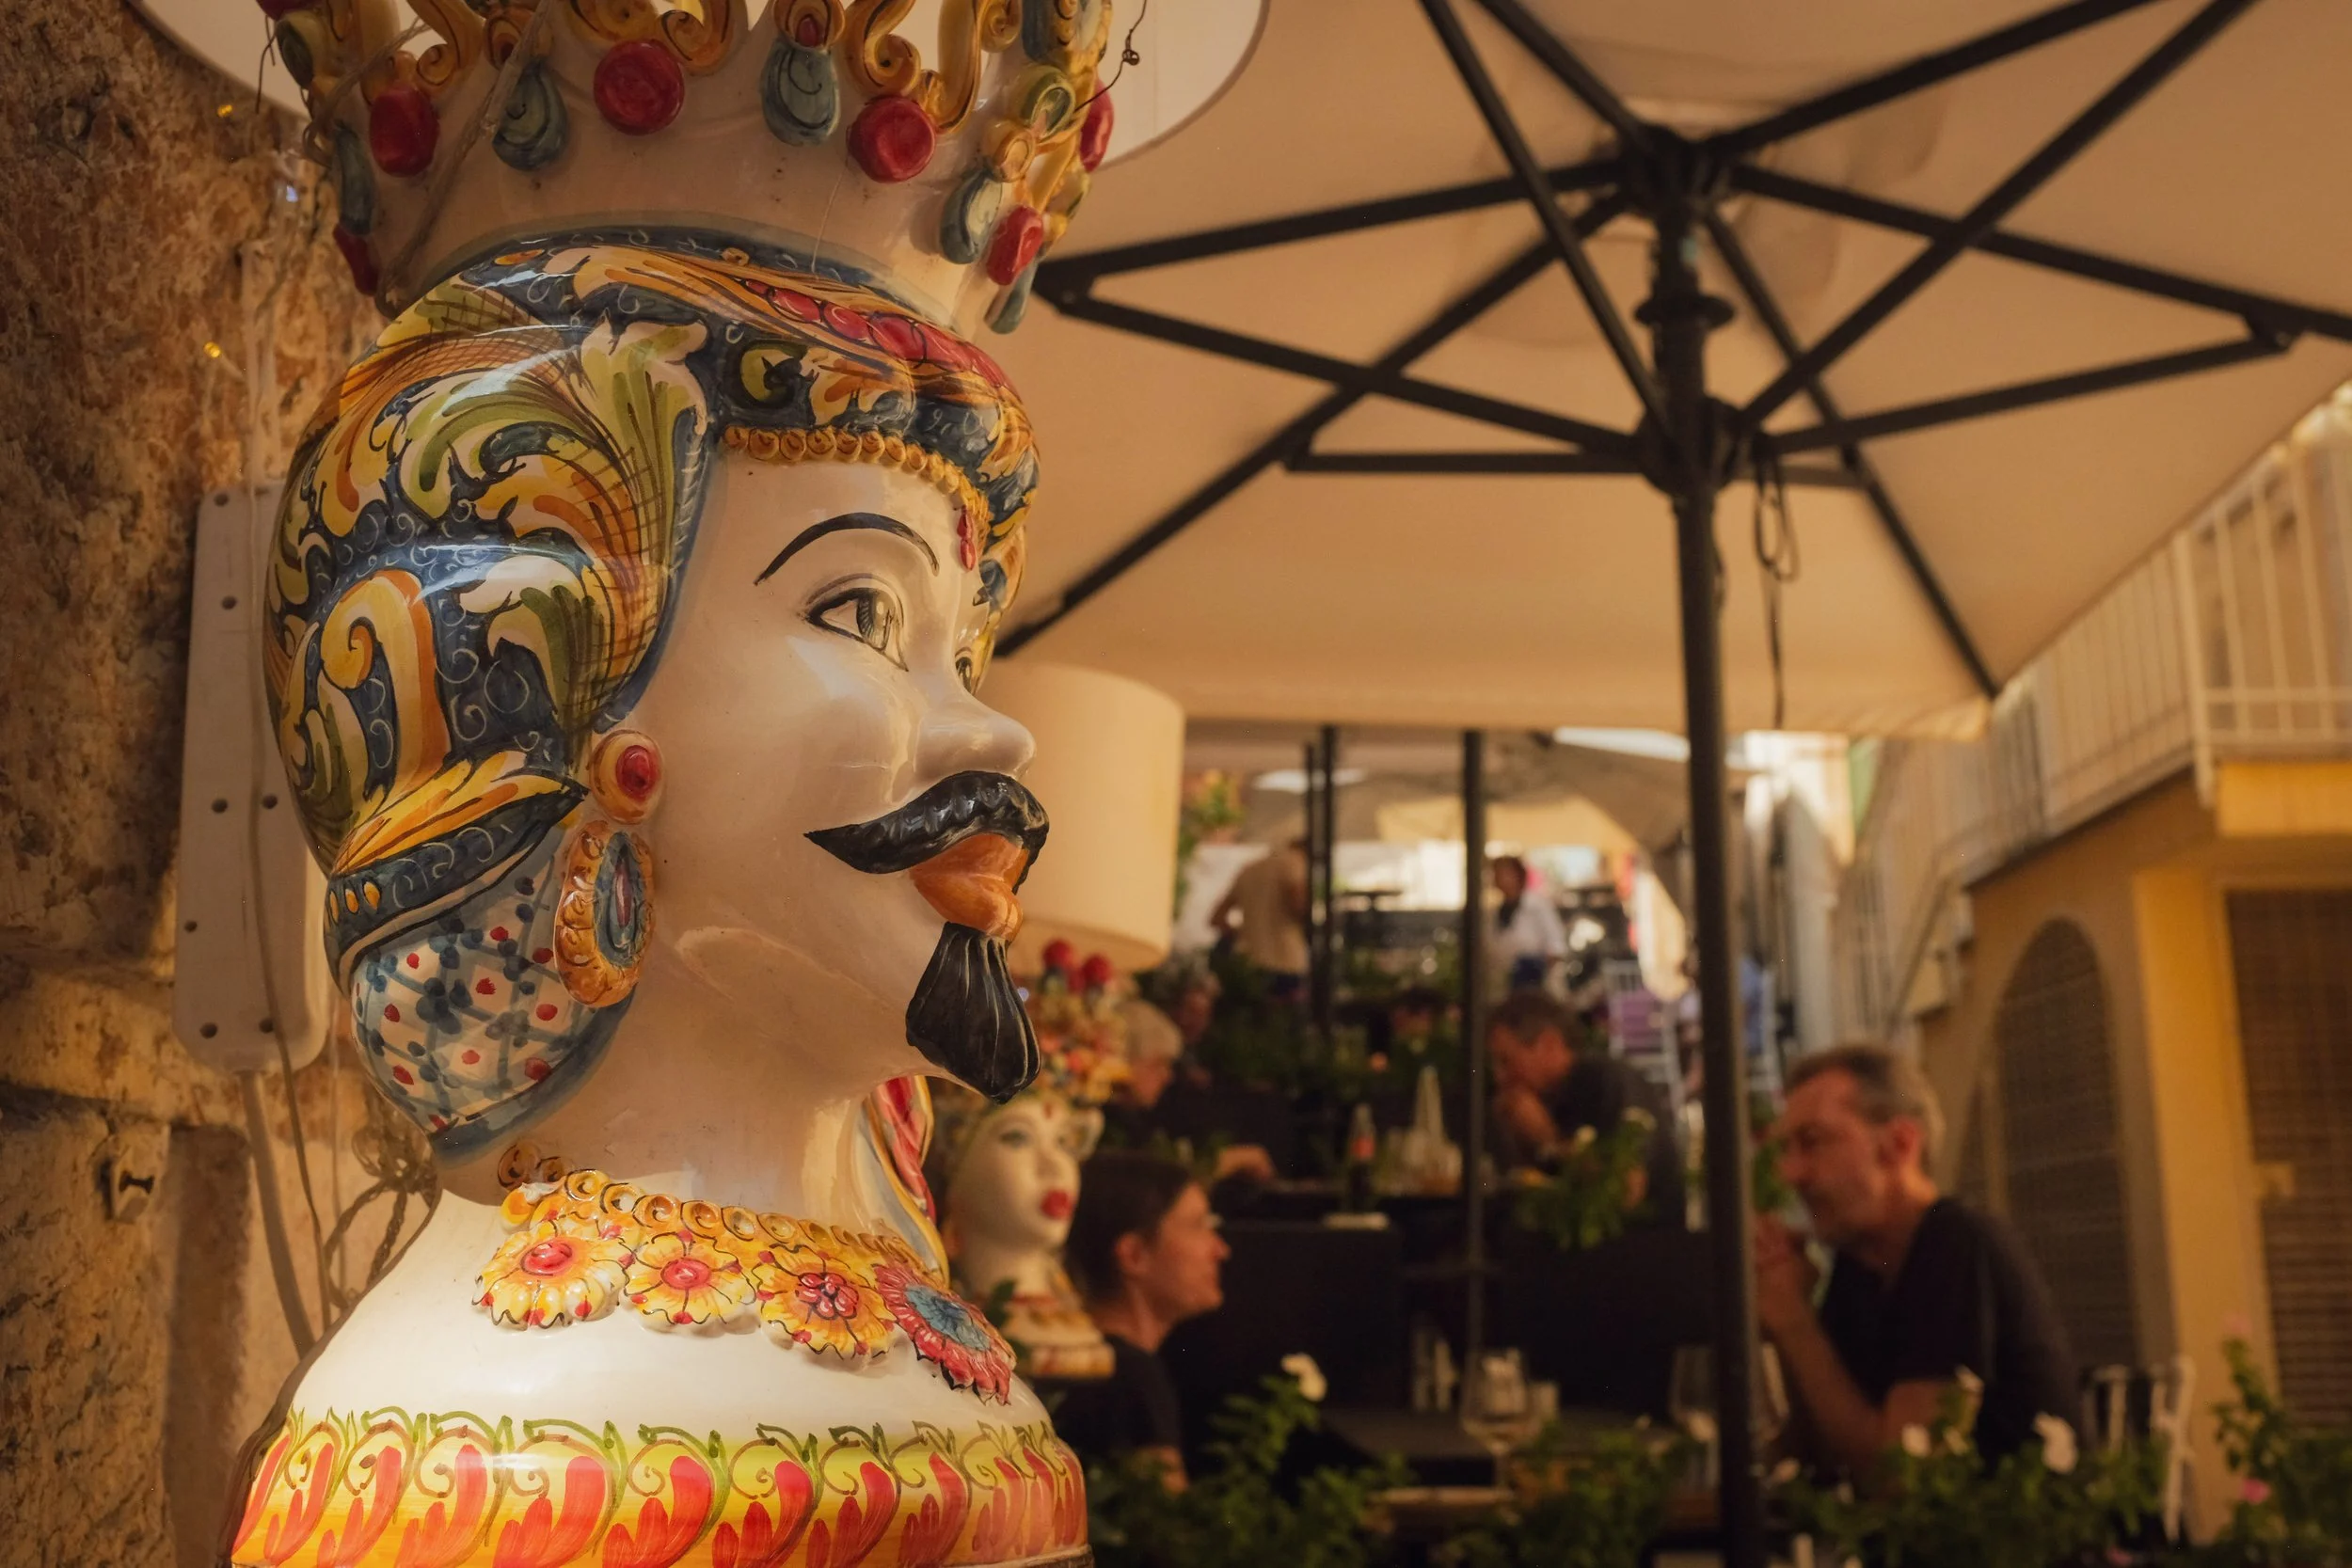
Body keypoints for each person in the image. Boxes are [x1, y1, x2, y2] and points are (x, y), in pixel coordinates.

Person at [1756, 1044, 2077, 1475]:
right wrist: (1775, 1315)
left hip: (2016, 1540)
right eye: (1787, 1150)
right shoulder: (1861, 1266)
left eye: (1812, 1143)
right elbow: (1820, 1457)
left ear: (1899, 1144)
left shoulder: (1957, 1245)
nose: (1791, 1174)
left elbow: (1904, 1478)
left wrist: (1796, 1323)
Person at [1052, 1151, 1232, 1487]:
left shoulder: (1082, 1362)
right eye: (1198, 1225)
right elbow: (1167, 1533)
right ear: (1134, 1255)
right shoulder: (1131, 1380)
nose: (1221, 1249)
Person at [1486, 990, 1682, 1217]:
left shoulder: (1604, 1080)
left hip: (1642, 1242)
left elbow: (1625, 1189)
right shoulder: (1545, 1097)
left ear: (1550, 1044)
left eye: (1507, 1061)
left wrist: (1545, 1137)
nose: (1500, 1076)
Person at [1104, 1000, 1276, 1182]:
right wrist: (1232, 1160)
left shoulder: (1133, 1117)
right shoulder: (1107, 1124)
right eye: (1159, 1064)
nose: (1168, 1076)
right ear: (1128, 1060)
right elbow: (1154, 1186)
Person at [1214, 838, 1310, 997]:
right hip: (1287, 961)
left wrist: (1243, 933)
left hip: (1251, 962)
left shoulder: (1250, 869)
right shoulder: (1295, 863)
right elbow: (1299, 906)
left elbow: (1217, 918)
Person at [1490, 855, 1567, 994]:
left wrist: (1538, 971)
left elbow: (1556, 945)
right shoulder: (1497, 911)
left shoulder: (1538, 905)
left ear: (1517, 875)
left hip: (1537, 981)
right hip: (1506, 982)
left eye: (1503, 873)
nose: (1497, 878)